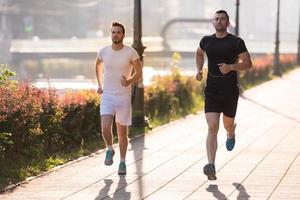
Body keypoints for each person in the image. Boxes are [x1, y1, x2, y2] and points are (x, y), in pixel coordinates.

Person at [195, 10, 252, 180]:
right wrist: (198, 70)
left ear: (228, 23)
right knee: (212, 127)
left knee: (227, 125)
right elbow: (199, 53)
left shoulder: (236, 42)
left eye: (222, 19)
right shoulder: (206, 40)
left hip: (229, 92)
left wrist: (231, 67)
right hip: (211, 90)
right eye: (216, 19)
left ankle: (231, 132)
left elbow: (248, 63)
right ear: (213, 22)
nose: (219, 21)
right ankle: (211, 165)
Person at [95, 21, 142, 175]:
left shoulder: (131, 52)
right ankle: (109, 148)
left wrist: (128, 81)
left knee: (122, 134)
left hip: (123, 98)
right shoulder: (103, 51)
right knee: (105, 127)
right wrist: (99, 84)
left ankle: (122, 162)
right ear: (111, 34)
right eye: (113, 32)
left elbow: (139, 73)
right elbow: (98, 65)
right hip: (107, 95)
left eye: (118, 32)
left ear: (123, 35)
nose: (115, 34)